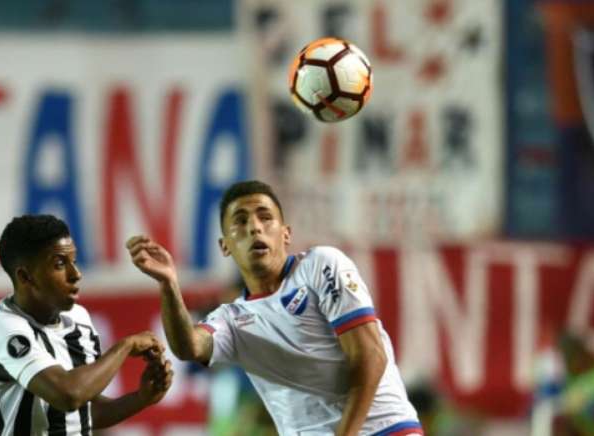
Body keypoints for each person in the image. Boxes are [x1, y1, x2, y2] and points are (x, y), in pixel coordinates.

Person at [127, 180, 422, 436]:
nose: (254, 227)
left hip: (384, 430)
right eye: (240, 221)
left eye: (265, 217)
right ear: (225, 245)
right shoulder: (232, 320)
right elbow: (188, 347)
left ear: (286, 233)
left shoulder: (321, 266)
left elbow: (370, 355)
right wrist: (168, 284)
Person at [0, 214, 172, 436]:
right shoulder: (4, 328)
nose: (76, 274)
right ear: (25, 276)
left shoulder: (79, 319)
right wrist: (125, 346)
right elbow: (68, 395)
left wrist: (141, 398)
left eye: (74, 261)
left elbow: (85, 412)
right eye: (60, 264)